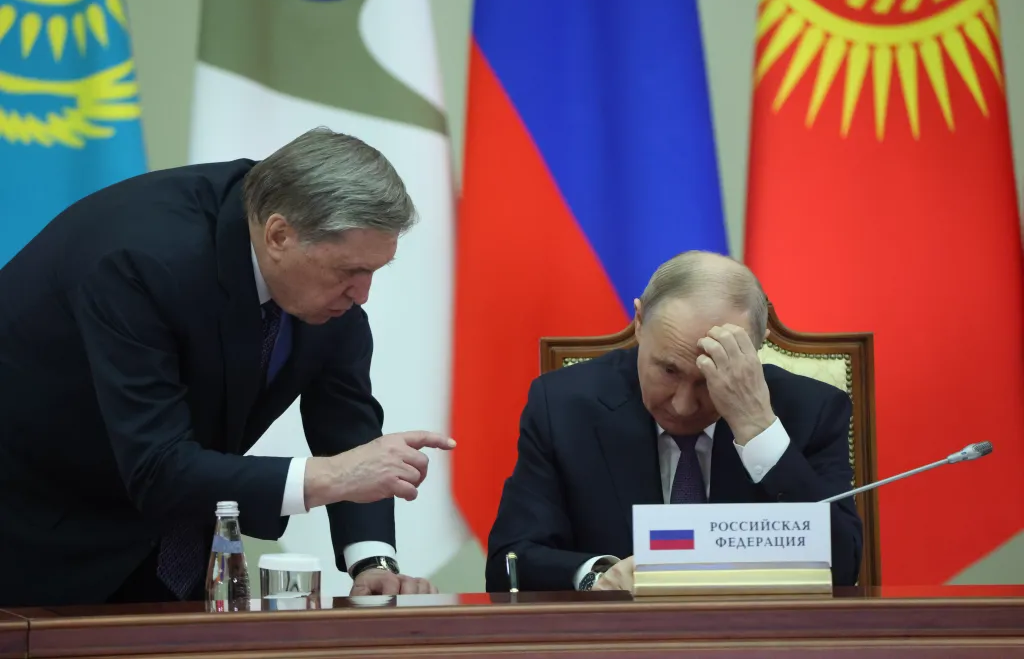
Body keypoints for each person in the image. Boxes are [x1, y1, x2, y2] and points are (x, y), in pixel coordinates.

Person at [0, 127, 453, 606]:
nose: (363, 295)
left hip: (172, 547)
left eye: (373, 272)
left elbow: (345, 421)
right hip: (34, 538)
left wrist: (372, 559)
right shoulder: (139, 260)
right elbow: (158, 466)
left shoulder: (317, 280)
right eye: (349, 273)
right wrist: (331, 477)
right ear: (279, 234)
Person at [485, 251, 862, 593]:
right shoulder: (565, 406)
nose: (682, 406)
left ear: (754, 348)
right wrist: (594, 575)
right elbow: (508, 563)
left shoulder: (810, 410)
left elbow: (842, 569)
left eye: (708, 378)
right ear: (638, 323)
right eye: (667, 370)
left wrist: (758, 428)